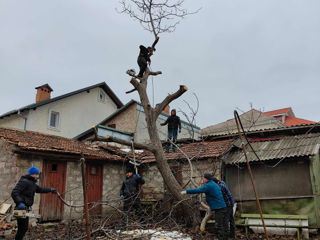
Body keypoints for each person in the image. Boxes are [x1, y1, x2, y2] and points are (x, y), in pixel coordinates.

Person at [11, 166, 57, 240]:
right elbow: (14, 192)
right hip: (21, 208)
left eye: (38, 174)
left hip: (26, 209)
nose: (37, 176)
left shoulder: (32, 183)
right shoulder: (24, 181)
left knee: (23, 228)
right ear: (32, 174)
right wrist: (20, 203)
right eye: (36, 174)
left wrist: (50, 190)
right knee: (22, 228)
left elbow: (40, 189)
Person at [181, 173, 228, 240]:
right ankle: (224, 237)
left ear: (206, 179)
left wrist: (186, 191)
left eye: (203, 178)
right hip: (221, 207)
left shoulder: (208, 185)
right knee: (222, 224)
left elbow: (198, 190)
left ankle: (221, 238)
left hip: (219, 208)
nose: (203, 179)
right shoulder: (213, 184)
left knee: (219, 225)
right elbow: (212, 195)